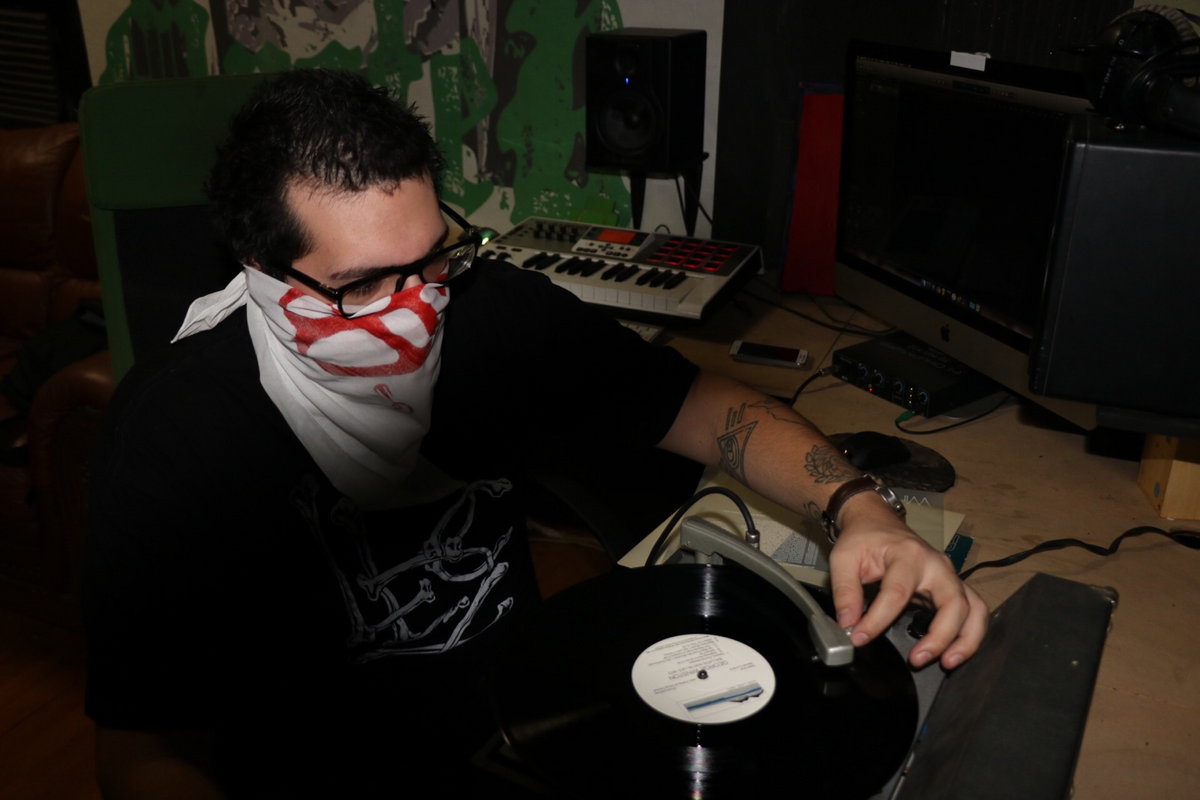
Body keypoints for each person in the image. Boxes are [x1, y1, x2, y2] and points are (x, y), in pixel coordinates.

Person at [83, 68, 987, 798]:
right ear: (261, 270)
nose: (417, 314)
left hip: (535, 737)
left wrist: (860, 508)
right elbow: (139, 751)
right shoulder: (171, 440)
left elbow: (709, 409)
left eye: (432, 260)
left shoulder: (494, 314)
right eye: (362, 287)